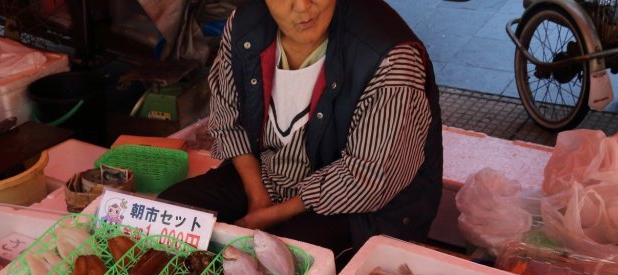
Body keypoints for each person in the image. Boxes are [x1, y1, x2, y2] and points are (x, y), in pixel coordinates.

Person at [159, 0, 442, 261]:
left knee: (286, 260)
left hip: (363, 204)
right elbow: (226, 117)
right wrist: (257, 196)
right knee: (168, 214)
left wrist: (271, 216)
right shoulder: (245, 24)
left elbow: (368, 177)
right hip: (268, 175)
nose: (304, 7)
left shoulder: (389, 55)